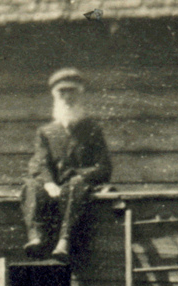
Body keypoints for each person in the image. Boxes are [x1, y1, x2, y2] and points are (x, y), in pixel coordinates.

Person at [21, 68, 113, 262]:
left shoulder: (92, 129)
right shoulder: (46, 132)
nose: (67, 96)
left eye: (71, 91)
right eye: (62, 92)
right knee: (30, 185)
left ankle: (65, 240)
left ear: (79, 94)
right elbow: (39, 164)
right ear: (55, 95)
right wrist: (48, 183)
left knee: (76, 184)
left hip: (81, 187)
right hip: (55, 189)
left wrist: (79, 175)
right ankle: (36, 237)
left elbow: (104, 166)